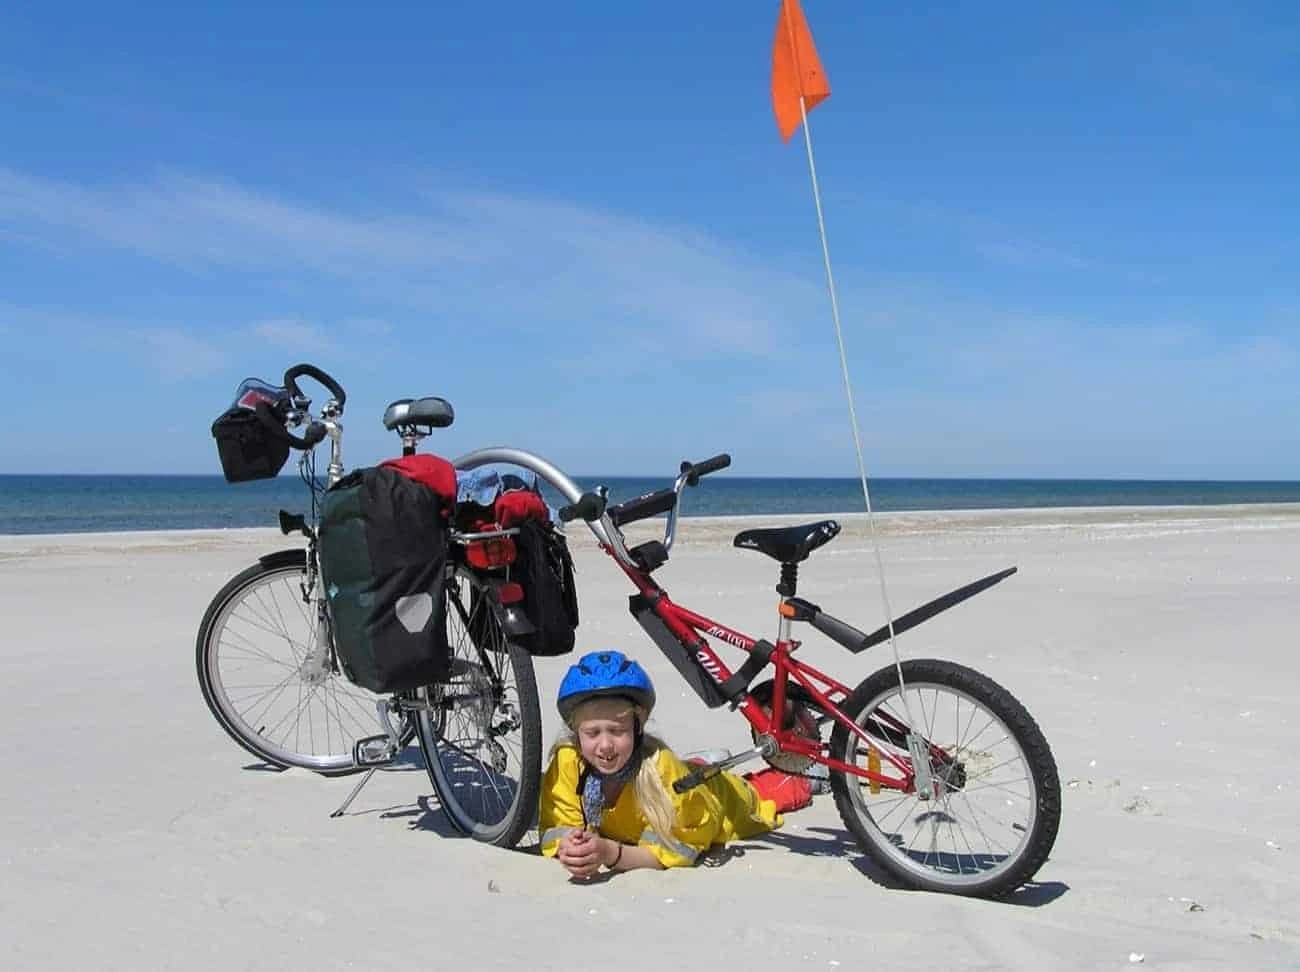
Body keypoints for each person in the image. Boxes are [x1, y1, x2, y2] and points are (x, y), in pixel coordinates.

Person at [539, 650, 812, 876]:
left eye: (618, 731)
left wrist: (611, 853)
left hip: (718, 802)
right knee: (689, 771)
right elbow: (557, 823)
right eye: (592, 733)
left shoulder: (660, 772)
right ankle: (702, 764)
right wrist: (568, 845)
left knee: (769, 791)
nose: (606, 745)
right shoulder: (568, 762)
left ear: (638, 726)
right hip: (684, 782)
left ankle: (809, 775)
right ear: (576, 733)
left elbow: (676, 852)